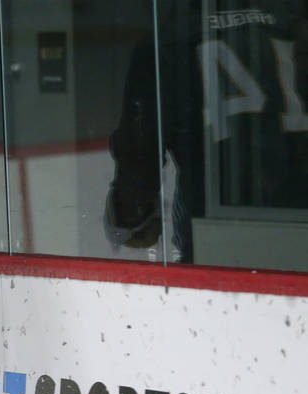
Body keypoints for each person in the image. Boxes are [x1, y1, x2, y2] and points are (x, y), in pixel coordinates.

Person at [105, 0, 308, 262]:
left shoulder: (165, 42)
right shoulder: (297, 20)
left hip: (218, 253)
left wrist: (128, 223)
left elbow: (136, 191)